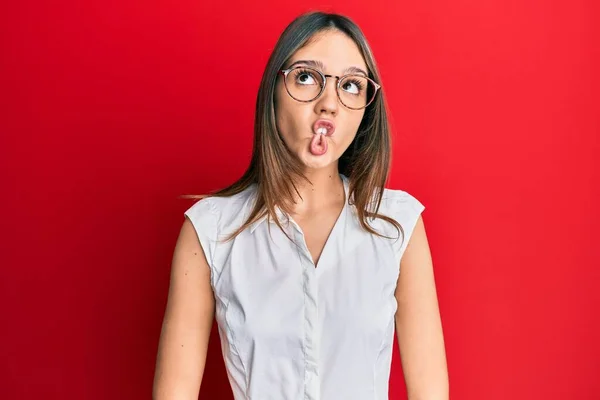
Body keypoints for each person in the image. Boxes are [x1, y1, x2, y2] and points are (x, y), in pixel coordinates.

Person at [153, 10, 448, 400]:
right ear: (273, 90)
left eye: (351, 86)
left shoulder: (398, 226)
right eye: (307, 77)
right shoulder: (210, 231)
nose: (329, 104)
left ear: (365, 109)